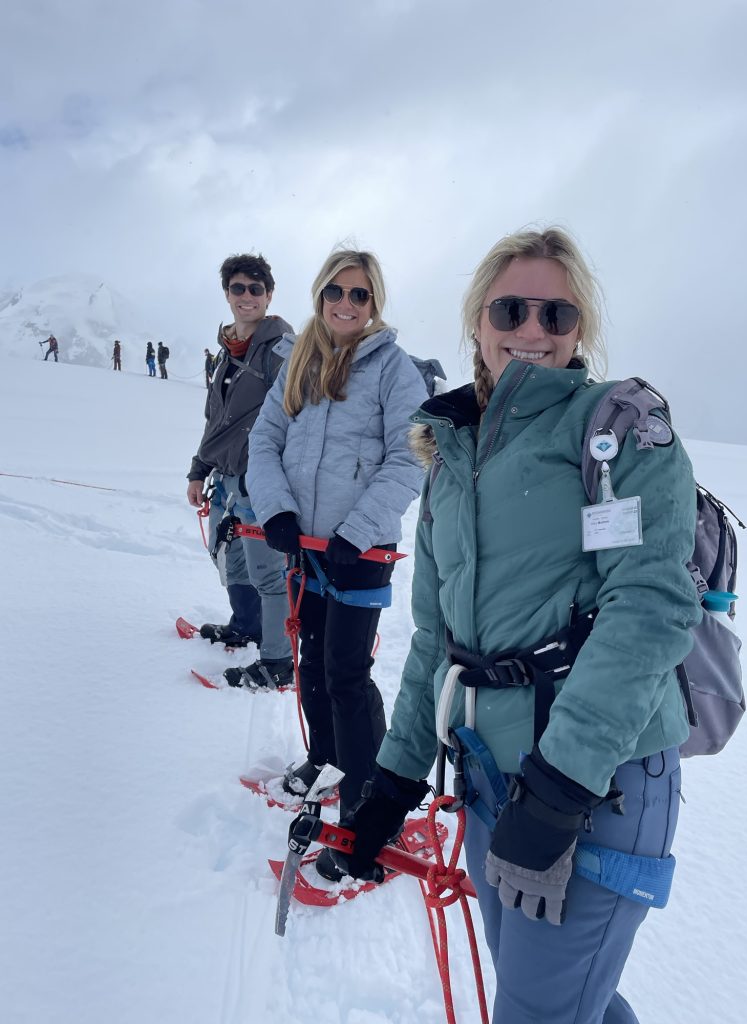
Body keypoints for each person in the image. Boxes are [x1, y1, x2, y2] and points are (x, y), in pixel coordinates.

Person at [332, 227, 702, 1023]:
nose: (532, 330)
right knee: (564, 1003)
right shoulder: (451, 453)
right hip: (491, 781)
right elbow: (437, 644)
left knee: (540, 1010)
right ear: (478, 321)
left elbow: (650, 606)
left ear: (580, 333)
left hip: (600, 784)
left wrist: (562, 789)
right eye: (511, 308)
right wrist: (392, 784)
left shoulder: (616, 431)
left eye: (557, 315)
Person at [247, 248, 427, 877]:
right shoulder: (299, 363)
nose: (346, 305)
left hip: (358, 553)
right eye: (336, 293)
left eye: (360, 295)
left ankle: (364, 813)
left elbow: (410, 458)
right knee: (312, 670)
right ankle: (326, 763)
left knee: (347, 676)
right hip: (305, 549)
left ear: (374, 303)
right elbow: (265, 441)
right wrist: (276, 513)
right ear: (320, 297)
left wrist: (358, 529)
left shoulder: (393, 370)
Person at [186, 253, 294, 685]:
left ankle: (278, 662)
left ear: (268, 295)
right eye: (237, 288)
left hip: (259, 481)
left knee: (269, 572)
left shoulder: (282, 350)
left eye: (255, 289)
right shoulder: (228, 352)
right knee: (234, 563)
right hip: (226, 479)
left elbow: (296, 419)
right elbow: (218, 420)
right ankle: (247, 626)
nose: (246, 296)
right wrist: (199, 469)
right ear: (227, 294)